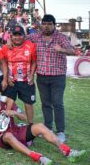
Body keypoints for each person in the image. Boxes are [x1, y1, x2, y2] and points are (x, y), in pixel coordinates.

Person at [0, 85, 86, 164]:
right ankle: (38, 158)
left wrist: (14, 113)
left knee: (39, 126)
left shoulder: (7, 104)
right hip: (1, 137)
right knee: (8, 136)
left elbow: (24, 117)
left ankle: (68, 151)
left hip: (16, 131)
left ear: (0, 94)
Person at [26, 14, 75, 143]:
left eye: (49, 24)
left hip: (57, 76)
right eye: (44, 24)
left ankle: (60, 131)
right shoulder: (36, 36)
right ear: (41, 24)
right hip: (42, 76)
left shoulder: (61, 37)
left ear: (54, 25)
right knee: (46, 104)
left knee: (57, 103)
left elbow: (72, 51)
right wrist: (9, 41)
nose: (46, 26)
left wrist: (62, 49)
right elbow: (20, 39)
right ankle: (48, 128)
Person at [2, 26, 37, 124]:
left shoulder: (31, 46)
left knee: (28, 103)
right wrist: (7, 77)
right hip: (12, 81)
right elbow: (2, 63)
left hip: (26, 81)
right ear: (11, 36)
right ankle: (6, 124)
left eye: (20, 35)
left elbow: (34, 61)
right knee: (8, 102)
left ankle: (31, 125)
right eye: (15, 35)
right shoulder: (5, 48)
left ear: (24, 36)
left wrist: (32, 75)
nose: (17, 37)